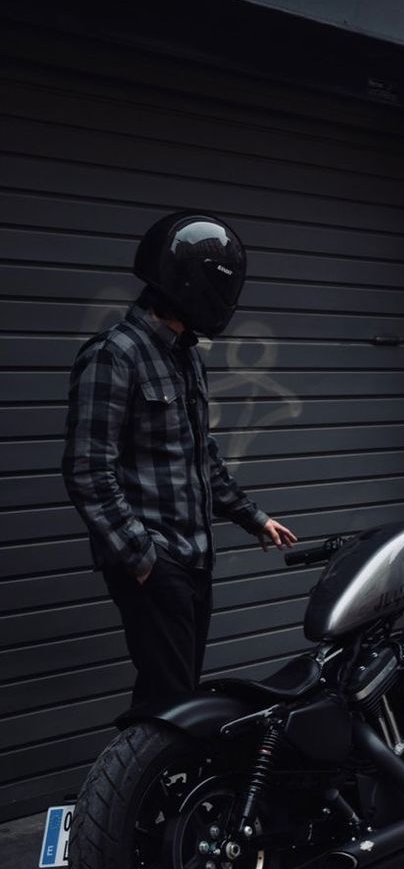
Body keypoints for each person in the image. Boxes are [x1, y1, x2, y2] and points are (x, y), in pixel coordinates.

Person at [62, 211, 297, 709]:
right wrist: (144, 561)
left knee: (176, 697)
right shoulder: (114, 356)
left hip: (194, 558)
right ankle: (141, 783)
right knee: (171, 702)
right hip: (157, 561)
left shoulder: (186, 355)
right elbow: (87, 470)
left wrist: (253, 518)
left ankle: (146, 783)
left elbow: (201, 455)